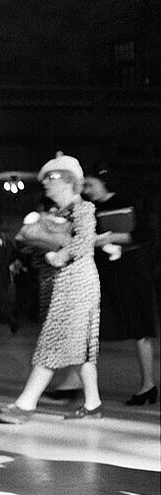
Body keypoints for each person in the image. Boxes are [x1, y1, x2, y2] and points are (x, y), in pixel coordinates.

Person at [0, 154, 102, 423]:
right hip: (64, 283)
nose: (46, 183)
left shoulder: (82, 209)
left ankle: (25, 405)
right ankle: (93, 404)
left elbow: (84, 242)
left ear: (69, 182)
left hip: (76, 284)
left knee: (51, 341)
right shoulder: (54, 215)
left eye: (52, 178)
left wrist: (59, 256)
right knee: (82, 350)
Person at [82, 168, 157, 405]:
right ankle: (78, 384)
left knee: (140, 329)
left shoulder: (126, 202)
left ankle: (148, 384)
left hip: (132, 274)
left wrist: (109, 238)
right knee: (89, 330)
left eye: (90, 184)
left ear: (103, 182)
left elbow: (145, 234)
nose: (86, 190)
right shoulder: (90, 208)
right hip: (107, 275)